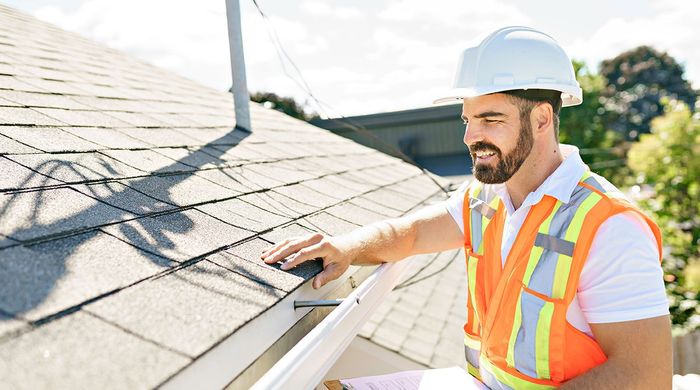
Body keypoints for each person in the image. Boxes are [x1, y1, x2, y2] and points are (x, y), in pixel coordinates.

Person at [261, 26, 671, 389]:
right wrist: (345, 247)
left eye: (490, 120)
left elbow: (645, 377)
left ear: (542, 119)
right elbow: (414, 234)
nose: (471, 136)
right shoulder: (487, 197)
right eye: (467, 120)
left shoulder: (609, 226)